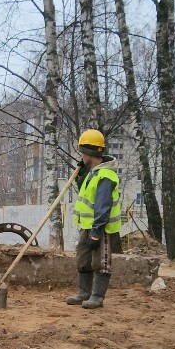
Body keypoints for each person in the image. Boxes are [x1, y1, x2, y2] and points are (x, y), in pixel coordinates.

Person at [66, 129, 122, 309]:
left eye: (83, 152)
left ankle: (97, 296)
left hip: (101, 227)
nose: (81, 155)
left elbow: (103, 206)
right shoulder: (93, 172)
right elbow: (84, 189)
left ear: (90, 152)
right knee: (83, 259)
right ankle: (84, 293)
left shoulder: (106, 176)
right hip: (86, 225)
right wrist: (81, 172)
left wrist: (97, 232)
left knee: (101, 262)